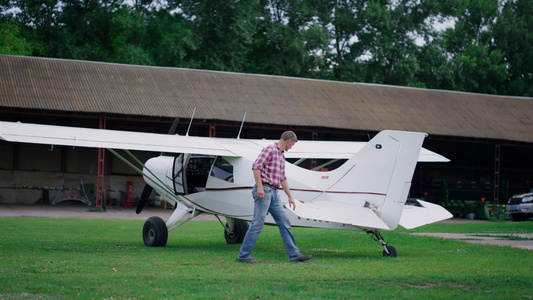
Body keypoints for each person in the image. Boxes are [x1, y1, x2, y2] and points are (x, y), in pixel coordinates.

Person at [237, 131, 312, 263]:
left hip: (274, 193)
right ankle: (243, 256)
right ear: (289, 141)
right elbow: (256, 166)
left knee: (284, 222)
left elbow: (283, 178)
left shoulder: (281, 156)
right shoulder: (270, 150)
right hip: (264, 190)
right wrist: (260, 187)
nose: (291, 147)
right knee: (257, 223)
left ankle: (295, 255)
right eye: (292, 144)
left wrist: (290, 197)